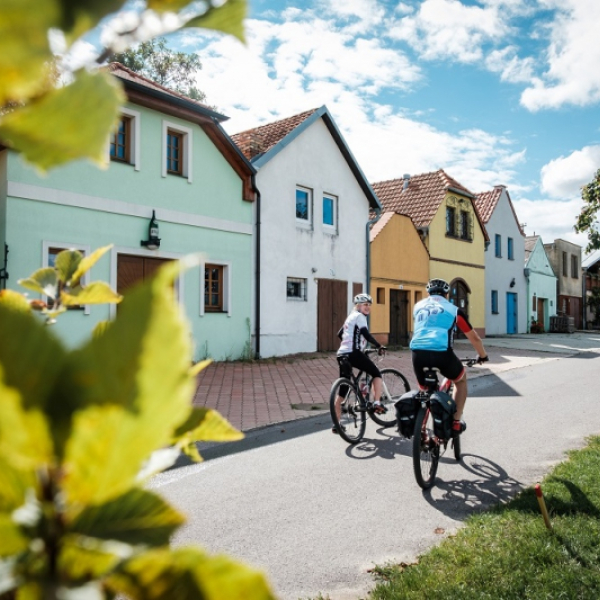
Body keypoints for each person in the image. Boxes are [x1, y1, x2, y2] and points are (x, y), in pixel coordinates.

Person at [410, 278, 488, 433]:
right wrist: (483, 355)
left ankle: (421, 429)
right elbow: (474, 338)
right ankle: (456, 422)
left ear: (428, 293)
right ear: (446, 295)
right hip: (442, 353)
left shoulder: (417, 306)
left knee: (424, 390)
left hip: (417, 353)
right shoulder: (453, 310)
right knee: (460, 380)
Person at [334, 293, 386, 434]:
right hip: (353, 353)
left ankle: (337, 424)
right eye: (365, 305)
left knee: (342, 389)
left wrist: (350, 343)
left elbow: (340, 334)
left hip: (342, 354)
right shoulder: (360, 317)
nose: (367, 307)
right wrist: (379, 345)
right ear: (358, 306)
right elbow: (365, 334)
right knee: (376, 373)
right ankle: (377, 403)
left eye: (369, 305)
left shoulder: (350, 317)